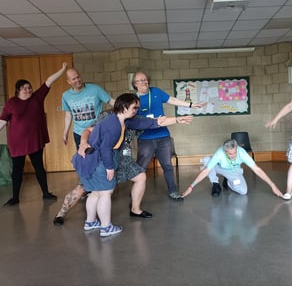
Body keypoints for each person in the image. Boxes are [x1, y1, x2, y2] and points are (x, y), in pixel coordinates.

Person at [72, 93, 192, 237]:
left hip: (92, 160)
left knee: (95, 193)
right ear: (124, 106)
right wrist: (110, 168)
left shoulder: (124, 121)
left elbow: (152, 123)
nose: (136, 110)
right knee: (105, 193)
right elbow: (105, 148)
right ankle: (106, 228)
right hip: (97, 160)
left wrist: (178, 120)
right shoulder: (113, 125)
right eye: (134, 107)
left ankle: (90, 222)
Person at [0, 63, 68, 206]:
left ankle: (46, 193)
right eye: (24, 88)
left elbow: (49, 81)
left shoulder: (37, 97)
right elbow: (3, 121)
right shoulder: (11, 103)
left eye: (29, 87)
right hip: (17, 143)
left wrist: (62, 70)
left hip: (35, 141)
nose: (28, 89)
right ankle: (15, 198)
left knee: (39, 167)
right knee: (17, 170)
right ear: (18, 90)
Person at [53, 69, 115, 225]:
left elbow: (112, 102)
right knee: (86, 169)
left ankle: (94, 189)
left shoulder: (95, 89)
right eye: (73, 79)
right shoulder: (66, 96)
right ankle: (85, 189)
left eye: (78, 77)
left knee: (98, 167)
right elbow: (68, 115)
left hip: (98, 132)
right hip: (80, 134)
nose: (77, 80)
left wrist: (126, 108)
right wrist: (65, 133)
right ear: (68, 81)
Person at [132, 71, 206, 200]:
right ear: (135, 84)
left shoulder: (155, 91)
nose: (144, 82)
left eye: (145, 79)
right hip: (145, 139)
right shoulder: (133, 99)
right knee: (140, 168)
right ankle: (134, 196)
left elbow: (172, 100)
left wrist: (191, 105)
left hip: (163, 136)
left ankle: (173, 191)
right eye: (140, 80)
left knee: (167, 166)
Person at [182, 139, 283, 198]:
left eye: (235, 152)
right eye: (230, 154)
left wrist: (272, 185)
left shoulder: (242, 153)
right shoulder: (219, 153)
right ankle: (215, 184)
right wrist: (191, 187)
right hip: (219, 168)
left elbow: (257, 169)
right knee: (207, 161)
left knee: (243, 191)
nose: (234, 155)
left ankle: (228, 181)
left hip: (233, 172)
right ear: (225, 151)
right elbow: (205, 171)